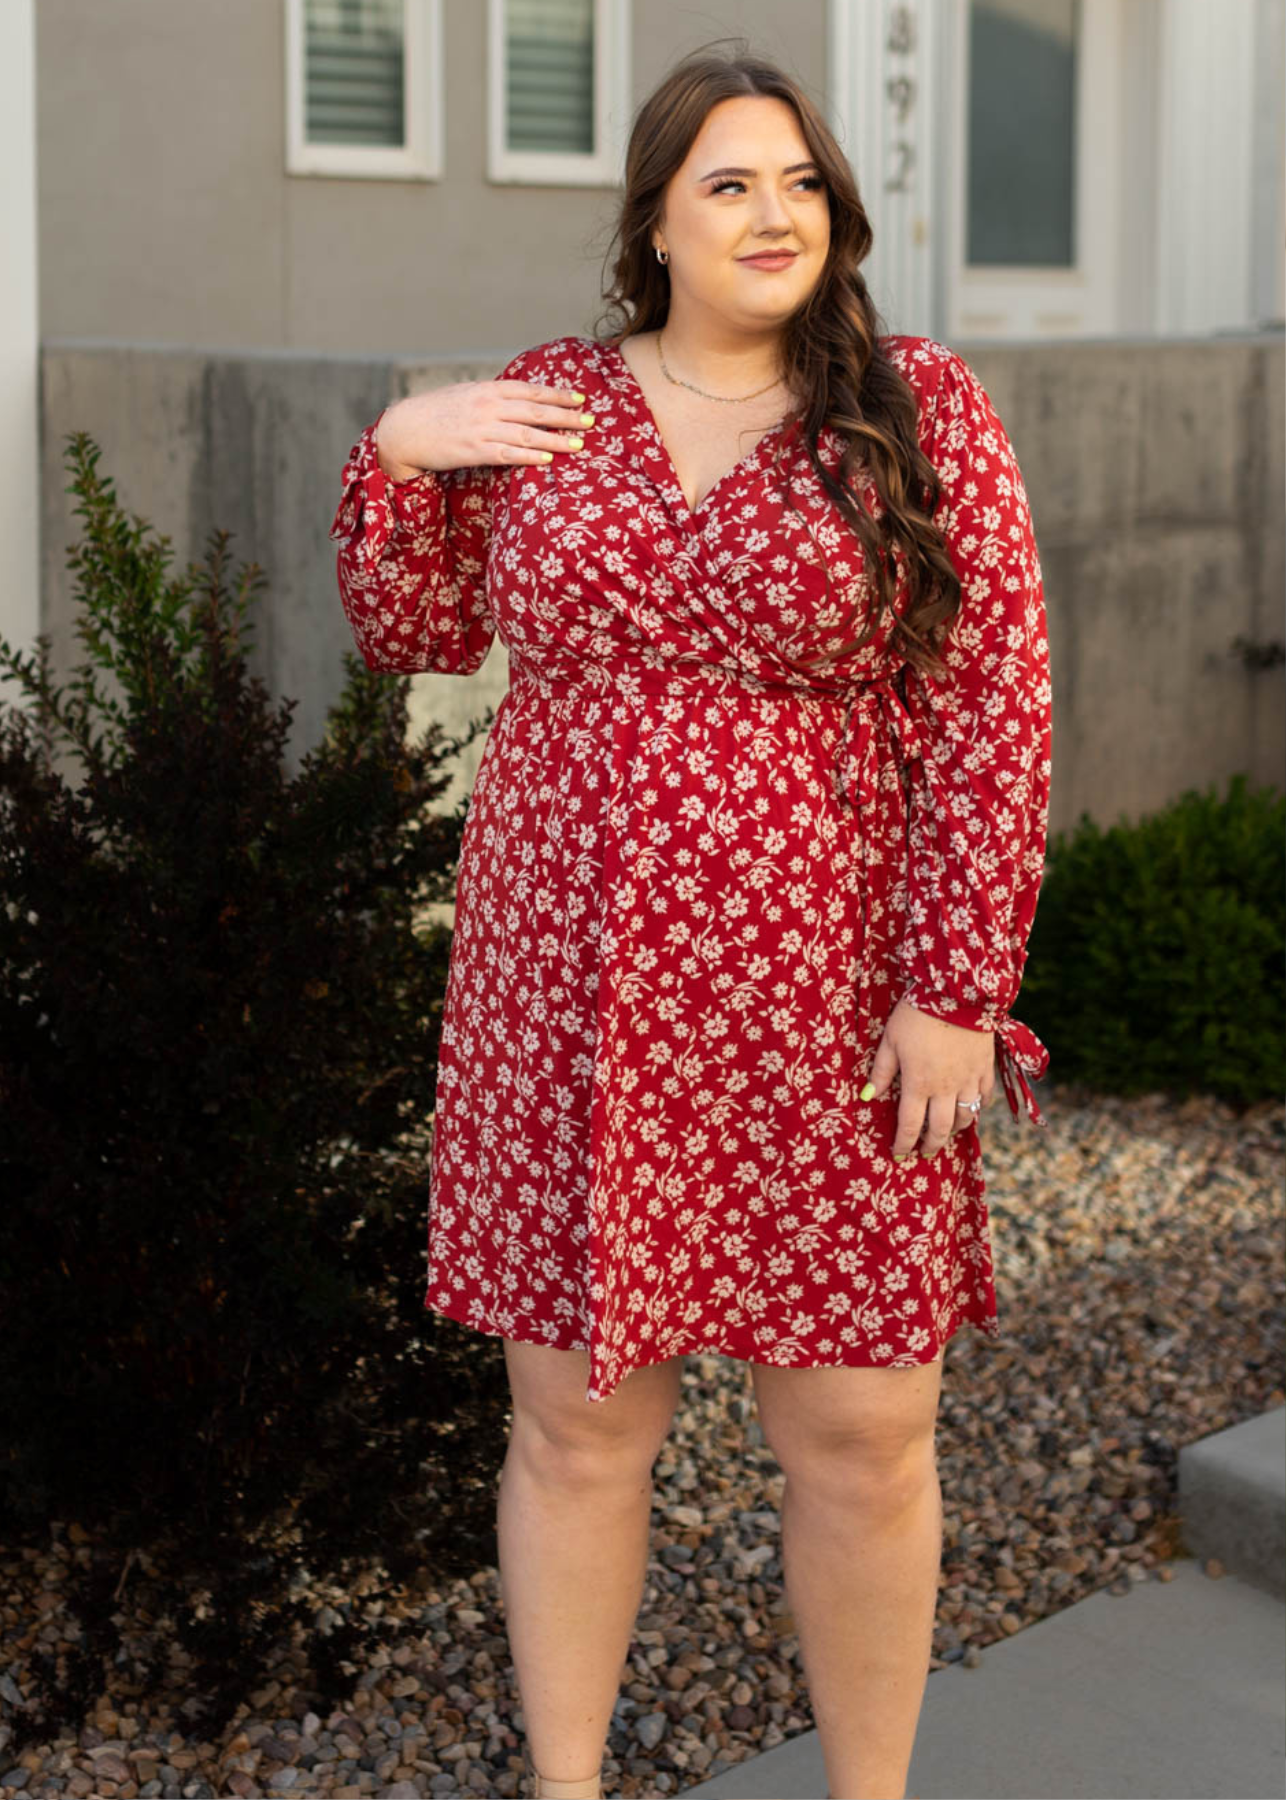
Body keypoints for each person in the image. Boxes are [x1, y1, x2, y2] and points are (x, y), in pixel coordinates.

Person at [329, 42, 1052, 1800]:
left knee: (864, 1431)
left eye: (799, 181)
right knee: (578, 1427)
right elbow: (412, 630)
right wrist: (399, 452)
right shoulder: (551, 402)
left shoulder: (913, 404)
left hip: (832, 993)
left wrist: (954, 990)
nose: (772, 212)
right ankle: (564, 1788)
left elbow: (994, 704)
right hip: (568, 987)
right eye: (728, 181)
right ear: (651, 215)